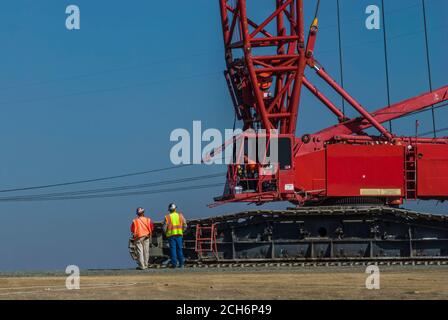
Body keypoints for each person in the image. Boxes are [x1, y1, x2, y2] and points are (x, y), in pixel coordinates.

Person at [163, 203, 187, 268]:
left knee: (173, 250)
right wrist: (182, 231)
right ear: (175, 209)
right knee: (179, 249)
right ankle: (181, 264)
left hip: (171, 236)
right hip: (179, 235)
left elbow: (164, 228)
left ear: (169, 210)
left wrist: (166, 234)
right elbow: (185, 225)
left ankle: (174, 264)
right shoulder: (180, 215)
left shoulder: (167, 217)